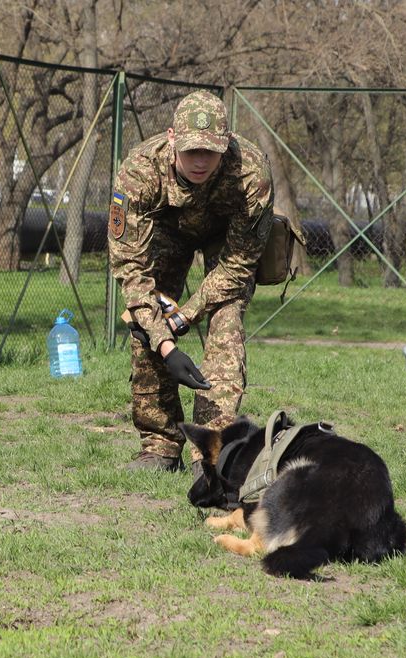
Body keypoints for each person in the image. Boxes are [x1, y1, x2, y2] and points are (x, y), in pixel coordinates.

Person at [108, 89, 274, 472]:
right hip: (165, 232)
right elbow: (131, 267)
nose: (200, 161)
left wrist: (184, 318)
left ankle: (212, 452)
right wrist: (167, 343)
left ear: (227, 144)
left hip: (226, 241)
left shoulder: (251, 174)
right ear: (171, 139)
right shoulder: (139, 172)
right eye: (191, 151)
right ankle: (160, 446)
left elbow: (237, 266)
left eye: (210, 152)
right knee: (143, 323)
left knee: (226, 324)